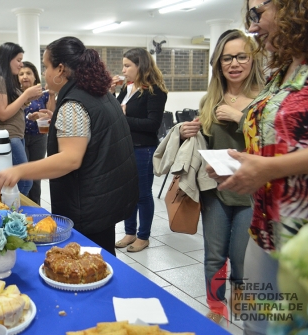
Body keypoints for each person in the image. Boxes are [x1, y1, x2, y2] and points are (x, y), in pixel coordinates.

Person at [207, 1, 308, 333]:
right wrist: (237, 166)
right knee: (257, 325)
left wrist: (268, 168)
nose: (252, 27)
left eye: (258, 13)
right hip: (264, 229)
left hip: (299, 239)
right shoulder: (281, 72)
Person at [0, 36, 139, 255]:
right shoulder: (97, 92)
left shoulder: (74, 103)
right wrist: (57, 121)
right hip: (106, 197)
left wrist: (19, 170)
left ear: (60, 69)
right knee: (104, 256)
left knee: (87, 263)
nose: (45, 74)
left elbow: (70, 159)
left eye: (46, 67)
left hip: (88, 202)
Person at [179, 29, 265, 324]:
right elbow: (202, 144)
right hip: (215, 190)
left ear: (253, 60)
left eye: (242, 56)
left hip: (252, 193)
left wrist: (242, 119)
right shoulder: (210, 100)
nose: (235, 63)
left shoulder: (265, 100)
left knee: (243, 260)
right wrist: (183, 132)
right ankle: (216, 310)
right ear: (218, 63)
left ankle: (244, 313)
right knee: (214, 256)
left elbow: (272, 144)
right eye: (227, 58)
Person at [112, 48, 168, 252]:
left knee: (143, 194)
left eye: (127, 65)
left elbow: (152, 124)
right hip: (126, 147)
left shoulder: (155, 91)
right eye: (123, 65)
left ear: (141, 66)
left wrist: (125, 117)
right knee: (128, 193)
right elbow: (116, 111)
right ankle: (129, 232)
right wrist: (111, 93)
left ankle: (143, 236)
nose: (123, 70)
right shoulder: (128, 89)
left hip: (143, 148)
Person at [0, 42, 43, 196]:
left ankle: (13, 210)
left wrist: (27, 98)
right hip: (8, 136)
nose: (20, 64)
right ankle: (12, 211)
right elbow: (2, 113)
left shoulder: (4, 80)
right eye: (18, 60)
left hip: (15, 135)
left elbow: (11, 107)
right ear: (7, 59)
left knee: (19, 180)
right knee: (26, 181)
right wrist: (26, 95)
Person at [18, 61, 55, 205]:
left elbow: (51, 113)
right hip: (20, 137)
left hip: (39, 137)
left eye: (28, 73)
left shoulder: (43, 94)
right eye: (21, 74)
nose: (25, 76)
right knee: (24, 173)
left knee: (37, 174)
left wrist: (51, 95)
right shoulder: (16, 94)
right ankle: (22, 206)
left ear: (35, 77)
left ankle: (35, 207)